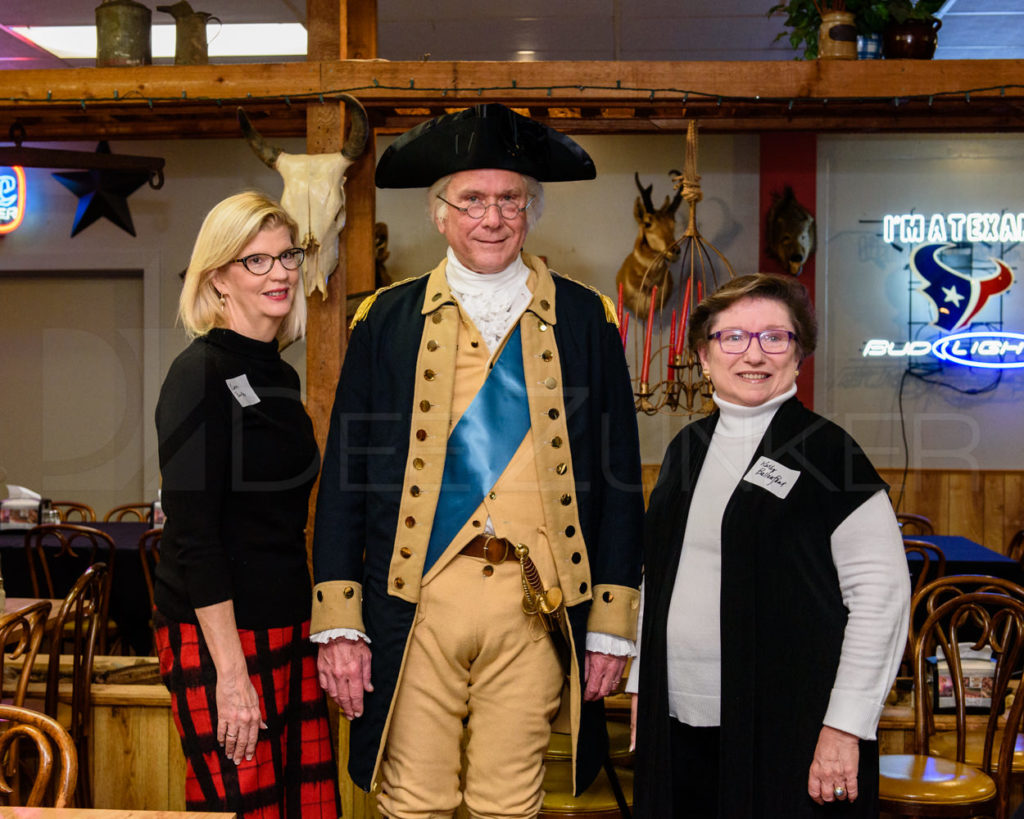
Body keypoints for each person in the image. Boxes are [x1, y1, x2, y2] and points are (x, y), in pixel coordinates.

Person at [311, 103, 644, 818]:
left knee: (509, 802)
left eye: (509, 200)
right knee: (413, 801)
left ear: (530, 210)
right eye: (472, 200)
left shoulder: (587, 319)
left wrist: (614, 619)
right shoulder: (385, 320)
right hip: (416, 597)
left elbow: (619, 478)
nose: (491, 218)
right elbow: (344, 475)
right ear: (440, 213)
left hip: (537, 600)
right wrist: (340, 620)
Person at [629, 273, 911, 817]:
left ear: (798, 355)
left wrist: (845, 726)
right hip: (678, 720)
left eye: (774, 337)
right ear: (703, 356)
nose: (753, 353)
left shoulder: (832, 454)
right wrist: (644, 684)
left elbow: (880, 600)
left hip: (791, 728)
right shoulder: (686, 448)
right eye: (732, 336)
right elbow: (658, 576)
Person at [153, 191, 339, 818]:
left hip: (291, 626)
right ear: (219, 278)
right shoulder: (198, 372)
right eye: (256, 261)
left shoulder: (278, 375)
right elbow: (194, 539)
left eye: (287, 255)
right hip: (220, 639)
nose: (281, 272)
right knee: (244, 810)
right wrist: (230, 677)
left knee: (304, 810)